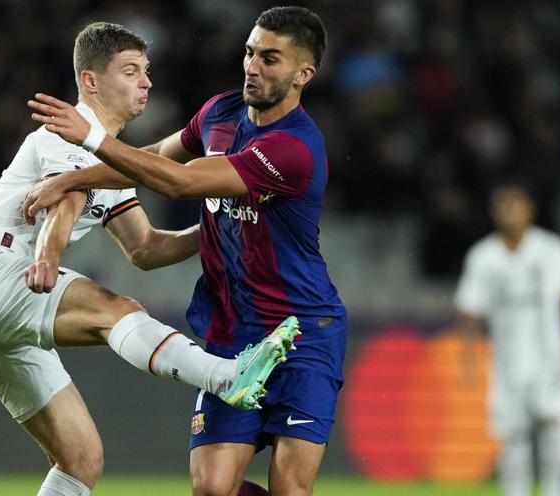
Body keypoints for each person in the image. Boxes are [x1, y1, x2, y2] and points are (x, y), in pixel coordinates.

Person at [0, 22, 299, 496]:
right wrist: (47, 255)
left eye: (146, 71)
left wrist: (215, 226)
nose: (146, 82)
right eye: (130, 71)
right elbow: (64, 201)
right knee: (117, 311)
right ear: (91, 81)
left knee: (80, 459)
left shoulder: (113, 165)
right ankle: (225, 375)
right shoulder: (67, 132)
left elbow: (145, 248)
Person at [21, 7, 344, 496]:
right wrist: (75, 178)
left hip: (301, 332)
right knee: (212, 489)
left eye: (270, 59)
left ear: (304, 74)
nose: (252, 66)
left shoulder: (293, 149)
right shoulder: (220, 112)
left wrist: (90, 138)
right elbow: (153, 160)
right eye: (250, 52)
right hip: (232, 333)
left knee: (290, 489)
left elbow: (179, 181)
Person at [456, 182, 560, 496]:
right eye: (503, 205)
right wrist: (469, 359)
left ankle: (555, 491)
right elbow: (471, 311)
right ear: (493, 212)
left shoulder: (552, 250)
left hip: (550, 357)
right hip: (508, 362)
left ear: (529, 210)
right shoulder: (483, 257)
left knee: (557, 430)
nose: (509, 212)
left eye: (516, 204)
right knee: (512, 436)